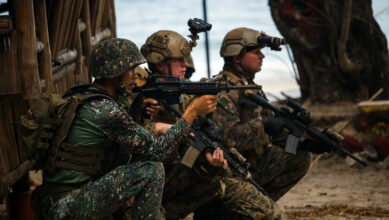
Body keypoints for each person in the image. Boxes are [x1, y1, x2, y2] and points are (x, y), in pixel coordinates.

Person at [31, 38, 218, 219]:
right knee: (152, 169)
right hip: (67, 207)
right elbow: (158, 151)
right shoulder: (106, 110)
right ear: (115, 72)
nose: (135, 76)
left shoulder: (85, 96)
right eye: (130, 70)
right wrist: (192, 111)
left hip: (56, 201)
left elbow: (121, 148)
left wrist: (136, 115)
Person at [140, 30, 283, 220]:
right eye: (179, 60)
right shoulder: (139, 97)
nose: (186, 64)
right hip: (147, 184)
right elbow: (132, 145)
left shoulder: (181, 96)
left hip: (172, 177)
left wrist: (209, 154)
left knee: (217, 171)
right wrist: (189, 112)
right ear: (159, 62)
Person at [194, 27, 320, 219]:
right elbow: (226, 139)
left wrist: (303, 142)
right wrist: (265, 124)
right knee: (273, 216)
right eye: (255, 52)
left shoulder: (250, 89)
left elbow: (277, 136)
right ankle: (221, 211)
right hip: (226, 176)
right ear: (237, 57)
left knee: (301, 157)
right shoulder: (224, 90)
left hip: (249, 166)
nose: (262, 56)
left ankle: (244, 210)